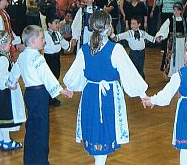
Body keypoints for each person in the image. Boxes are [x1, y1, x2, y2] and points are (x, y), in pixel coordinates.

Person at [63, 11, 148, 165]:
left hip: (90, 94)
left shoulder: (84, 49)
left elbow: (75, 74)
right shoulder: (115, 49)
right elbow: (129, 73)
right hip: (109, 95)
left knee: (95, 130)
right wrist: (142, 94)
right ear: (108, 27)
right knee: (103, 130)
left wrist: (70, 87)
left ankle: (99, 161)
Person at [8, 25, 72, 165]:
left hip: (29, 95)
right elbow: (46, 75)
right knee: (42, 129)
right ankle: (41, 161)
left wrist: (11, 83)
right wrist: (61, 90)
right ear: (32, 41)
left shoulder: (23, 55)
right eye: (42, 38)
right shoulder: (37, 57)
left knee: (31, 128)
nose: (44, 41)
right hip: (39, 94)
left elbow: (15, 72)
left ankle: (30, 160)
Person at [0, 30, 26, 151]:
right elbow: (1, 78)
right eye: (8, 44)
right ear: (2, 46)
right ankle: (7, 141)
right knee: (3, 117)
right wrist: (9, 84)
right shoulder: (2, 59)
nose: (11, 46)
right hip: (2, 93)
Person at [155, 2, 187, 77]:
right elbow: (164, 28)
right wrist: (160, 36)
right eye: (174, 10)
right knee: (173, 57)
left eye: (177, 10)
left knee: (183, 56)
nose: (176, 12)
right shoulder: (170, 19)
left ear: (181, 11)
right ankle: (172, 73)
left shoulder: (185, 19)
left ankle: (182, 72)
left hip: (182, 42)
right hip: (173, 42)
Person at [44, 14, 74, 106]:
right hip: (48, 58)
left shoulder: (57, 34)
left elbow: (64, 43)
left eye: (58, 23)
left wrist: (70, 44)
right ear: (49, 24)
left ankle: (52, 96)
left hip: (56, 58)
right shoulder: (44, 34)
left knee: (56, 76)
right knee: (49, 78)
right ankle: (48, 98)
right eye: (56, 23)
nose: (58, 25)